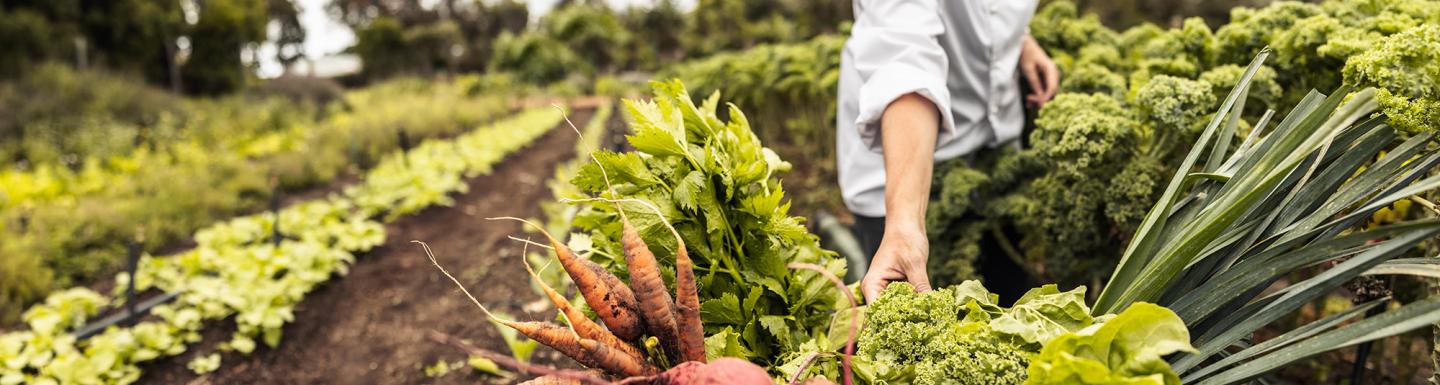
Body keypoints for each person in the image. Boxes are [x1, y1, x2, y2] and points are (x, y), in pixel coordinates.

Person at [836, 0, 1060, 303]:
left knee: (1008, 297)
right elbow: (905, 63)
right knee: (917, 324)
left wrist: (1019, 39)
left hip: (994, 152)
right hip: (903, 169)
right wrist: (905, 228)